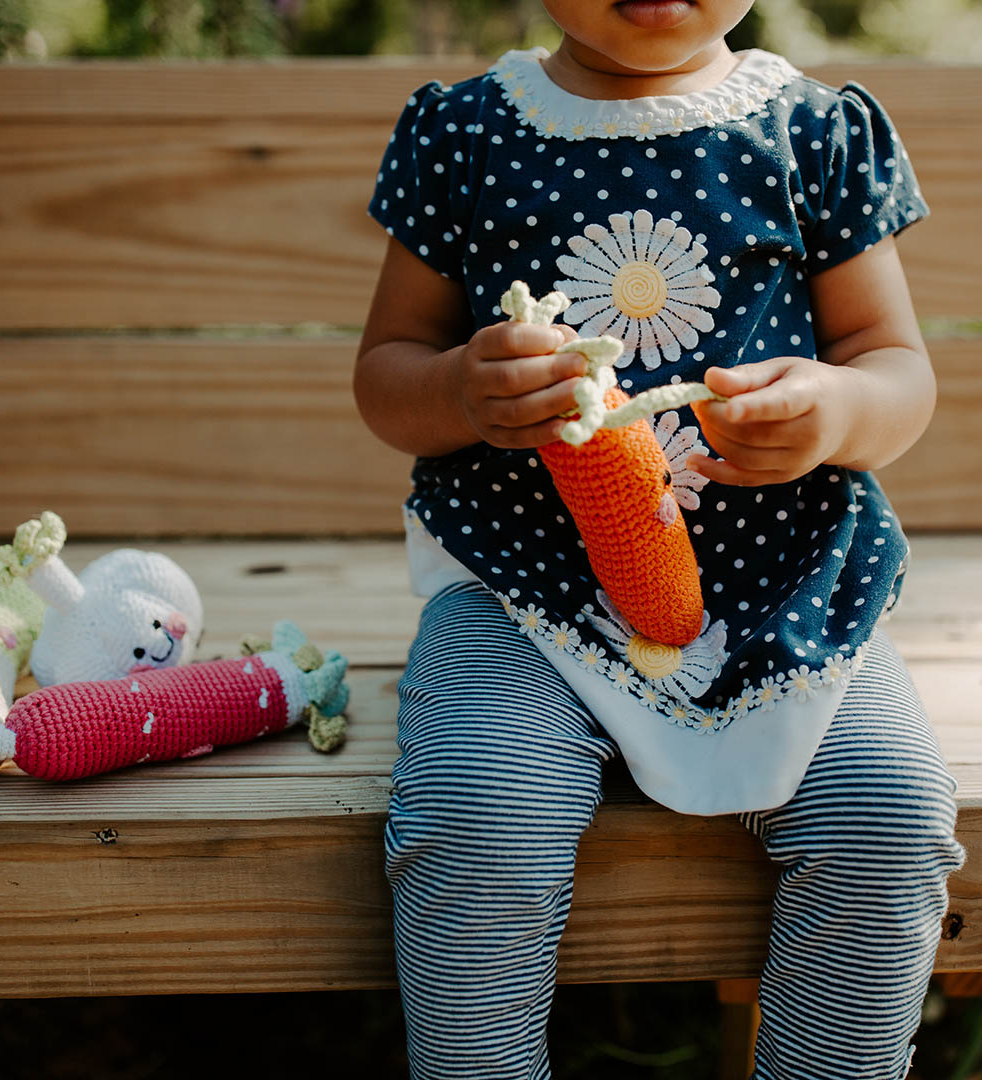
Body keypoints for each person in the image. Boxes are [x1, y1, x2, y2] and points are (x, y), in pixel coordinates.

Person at [354, 2, 966, 1076]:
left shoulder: (809, 133)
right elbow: (386, 373)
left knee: (889, 814)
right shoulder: (465, 134)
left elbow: (898, 372)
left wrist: (835, 410)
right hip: (527, 593)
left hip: (786, 586)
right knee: (478, 809)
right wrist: (459, 388)